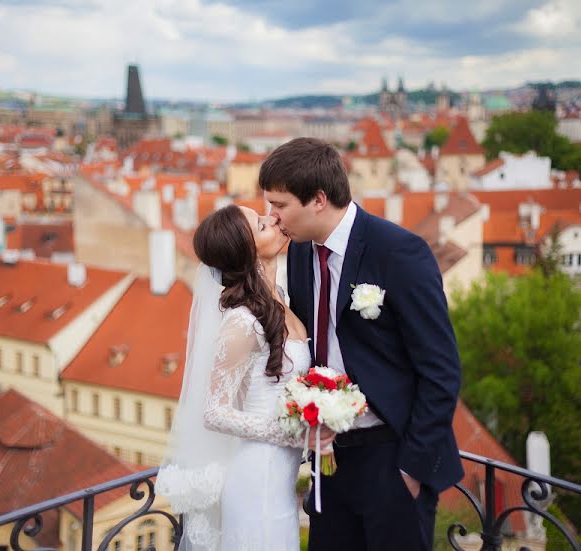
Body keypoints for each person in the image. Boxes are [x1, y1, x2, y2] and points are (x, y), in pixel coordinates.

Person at [260, 137, 463, 551]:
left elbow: (441, 370)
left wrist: (411, 470)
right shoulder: (299, 253)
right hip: (329, 459)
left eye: (279, 205)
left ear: (318, 199)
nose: (273, 217)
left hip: (391, 456)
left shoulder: (399, 252)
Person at [157, 204, 333, 551]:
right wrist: (293, 434)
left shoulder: (280, 299)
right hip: (257, 480)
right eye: (261, 224)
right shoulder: (242, 322)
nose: (273, 219)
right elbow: (214, 412)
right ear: (246, 250)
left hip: (280, 481)